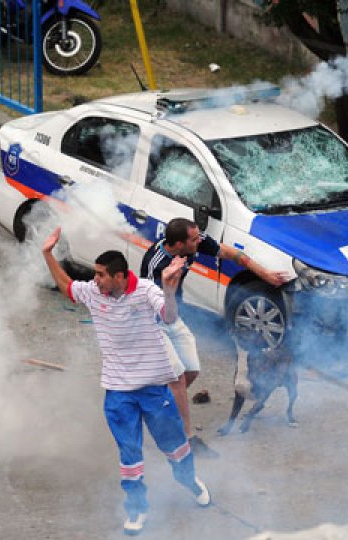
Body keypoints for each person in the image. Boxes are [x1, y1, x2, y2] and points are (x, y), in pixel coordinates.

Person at [42, 227, 210, 536]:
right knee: (130, 455)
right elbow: (66, 285)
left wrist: (170, 290)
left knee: (175, 448)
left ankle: (189, 480)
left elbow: (170, 318)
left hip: (153, 389)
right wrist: (47, 254)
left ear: (121, 277)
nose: (96, 280)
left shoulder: (146, 291)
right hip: (119, 393)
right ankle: (137, 509)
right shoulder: (94, 293)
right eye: (95, 275)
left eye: (102, 275)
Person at [140, 218, 288, 457]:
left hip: (175, 315)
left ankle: (155, 406)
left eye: (199, 237)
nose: (200, 241)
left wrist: (266, 275)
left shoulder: (193, 243)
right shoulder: (155, 265)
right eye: (194, 239)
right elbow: (146, 301)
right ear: (179, 244)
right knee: (177, 379)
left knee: (191, 370)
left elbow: (232, 254)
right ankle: (187, 441)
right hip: (154, 321)